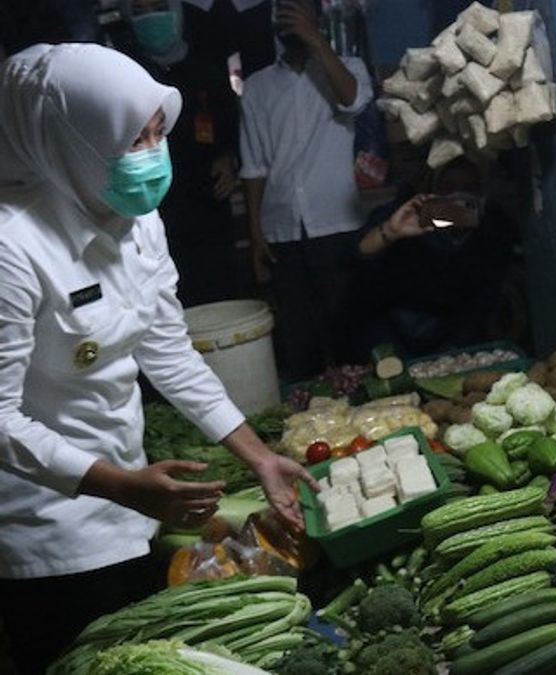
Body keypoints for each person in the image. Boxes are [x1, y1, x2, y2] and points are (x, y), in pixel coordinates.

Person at [0, 44, 317, 673]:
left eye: (156, 132)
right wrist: (121, 487)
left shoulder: (136, 216)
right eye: (130, 139)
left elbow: (166, 347)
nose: (152, 154)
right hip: (47, 525)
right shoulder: (13, 246)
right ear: (70, 142)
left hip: (133, 496)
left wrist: (258, 458)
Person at [239, 0, 373, 381]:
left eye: (299, 8)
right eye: (283, 10)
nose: (289, 16)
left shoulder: (349, 68)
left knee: (350, 335)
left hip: (337, 224)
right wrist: (255, 235)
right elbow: (254, 166)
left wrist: (316, 41)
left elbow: (352, 100)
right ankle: (311, 420)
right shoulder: (257, 87)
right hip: (282, 229)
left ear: (316, 17)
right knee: (300, 343)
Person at [120, 0, 243, 307]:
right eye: (140, 11)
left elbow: (233, 128)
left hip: (209, 206)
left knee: (220, 302)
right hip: (154, 212)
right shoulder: (126, 73)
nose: (151, 18)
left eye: (159, 7)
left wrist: (230, 159)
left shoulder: (207, 65)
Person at [353, 157, 518, 358]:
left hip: (455, 339)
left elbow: (485, 300)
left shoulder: (493, 228)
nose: (459, 195)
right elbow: (354, 256)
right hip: (392, 334)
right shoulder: (406, 214)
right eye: (448, 187)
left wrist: (455, 351)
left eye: (470, 187)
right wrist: (390, 231)